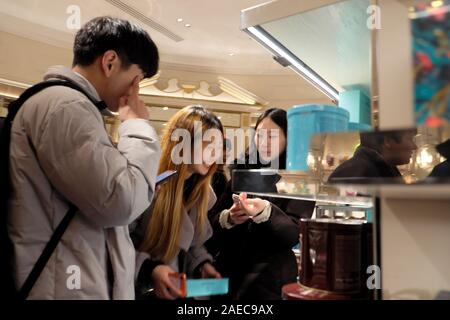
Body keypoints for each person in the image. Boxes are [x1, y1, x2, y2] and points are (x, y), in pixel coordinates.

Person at [7, 16, 161, 299]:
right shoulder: (65, 108)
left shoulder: (70, 106)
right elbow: (120, 201)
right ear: (110, 62)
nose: (136, 90)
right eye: (137, 78)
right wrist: (137, 126)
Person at [206, 108, 315, 300]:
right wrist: (228, 218)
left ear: (288, 138)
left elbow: (292, 234)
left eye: (272, 136)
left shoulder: (300, 177)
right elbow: (210, 225)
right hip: (228, 274)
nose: (263, 143)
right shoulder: (242, 169)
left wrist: (266, 212)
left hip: (270, 279)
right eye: (259, 135)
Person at [131, 105, 224, 300]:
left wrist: (201, 265)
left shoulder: (203, 194)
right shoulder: (146, 181)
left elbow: (191, 243)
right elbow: (115, 240)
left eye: (218, 147)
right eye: (208, 145)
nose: (214, 154)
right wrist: (150, 269)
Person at [328, 130, 417, 182]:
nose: (414, 147)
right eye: (410, 139)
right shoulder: (353, 173)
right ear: (388, 141)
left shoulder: (386, 171)